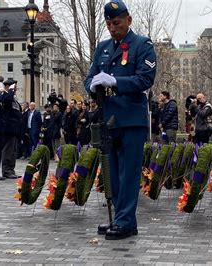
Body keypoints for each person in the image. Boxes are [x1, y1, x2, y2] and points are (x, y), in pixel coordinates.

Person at [85, 0, 157, 240]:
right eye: (108, 23)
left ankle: (125, 221)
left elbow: (145, 79)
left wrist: (116, 82)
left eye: (116, 23)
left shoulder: (142, 45)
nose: (112, 27)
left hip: (131, 118)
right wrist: (93, 85)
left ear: (128, 20)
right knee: (112, 173)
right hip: (109, 117)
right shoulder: (103, 48)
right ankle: (121, 219)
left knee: (129, 173)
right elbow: (91, 76)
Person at [1, 79, 22, 179]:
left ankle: (11, 169)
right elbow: (7, 100)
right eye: (15, 87)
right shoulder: (6, 95)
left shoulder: (13, 98)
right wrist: (10, 90)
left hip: (15, 129)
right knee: (8, 151)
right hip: (8, 129)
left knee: (13, 151)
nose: (16, 89)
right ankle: (6, 170)